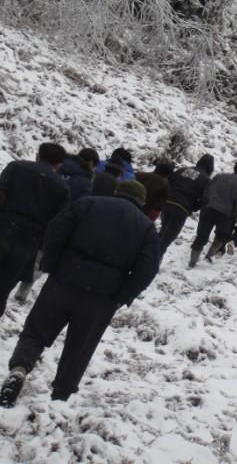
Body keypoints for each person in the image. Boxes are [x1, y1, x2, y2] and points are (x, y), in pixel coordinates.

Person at [0, 180, 159, 407]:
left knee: (36, 331)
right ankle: (60, 397)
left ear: (117, 192)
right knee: (79, 348)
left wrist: (52, 265)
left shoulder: (87, 204)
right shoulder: (146, 227)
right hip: (102, 297)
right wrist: (121, 295)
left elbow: (56, 231)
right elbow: (148, 268)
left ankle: (20, 368)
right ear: (142, 202)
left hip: (64, 280)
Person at [0, 143, 70, 317]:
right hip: (29, 241)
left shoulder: (16, 167)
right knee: (4, 287)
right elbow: (56, 223)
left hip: (4, 226)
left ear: (38, 155)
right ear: (59, 164)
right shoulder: (62, 188)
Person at [188, 161, 237, 268]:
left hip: (208, 208)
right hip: (225, 213)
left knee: (201, 236)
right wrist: (233, 214)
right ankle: (209, 255)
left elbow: (208, 190)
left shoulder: (219, 176)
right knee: (221, 236)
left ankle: (192, 261)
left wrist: (204, 203)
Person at [159, 154, 214, 257]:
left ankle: (147, 255)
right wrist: (194, 206)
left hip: (168, 203)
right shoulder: (206, 180)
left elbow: (168, 181)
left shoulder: (182, 170)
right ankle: (152, 261)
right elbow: (206, 199)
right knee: (167, 239)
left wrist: (168, 196)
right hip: (182, 208)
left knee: (162, 232)